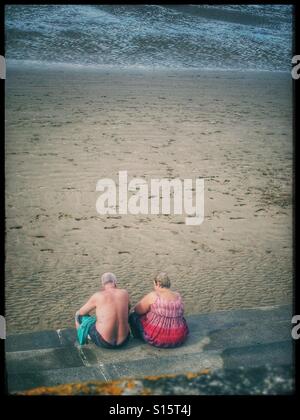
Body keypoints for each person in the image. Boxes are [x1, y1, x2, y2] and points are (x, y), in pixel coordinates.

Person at [129, 272, 189, 348]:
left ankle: (137, 338)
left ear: (158, 283)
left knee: (133, 316)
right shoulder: (178, 296)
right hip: (179, 338)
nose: (154, 286)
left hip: (157, 339)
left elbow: (137, 310)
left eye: (154, 284)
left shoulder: (154, 295)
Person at [75, 272, 130, 348]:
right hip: (124, 341)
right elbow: (128, 310)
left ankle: (82, 341)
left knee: (78, 315)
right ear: (115, 282)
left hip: (104, 342)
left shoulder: (98, 295)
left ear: (103, 284)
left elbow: (81, 312)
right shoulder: (125, 293)